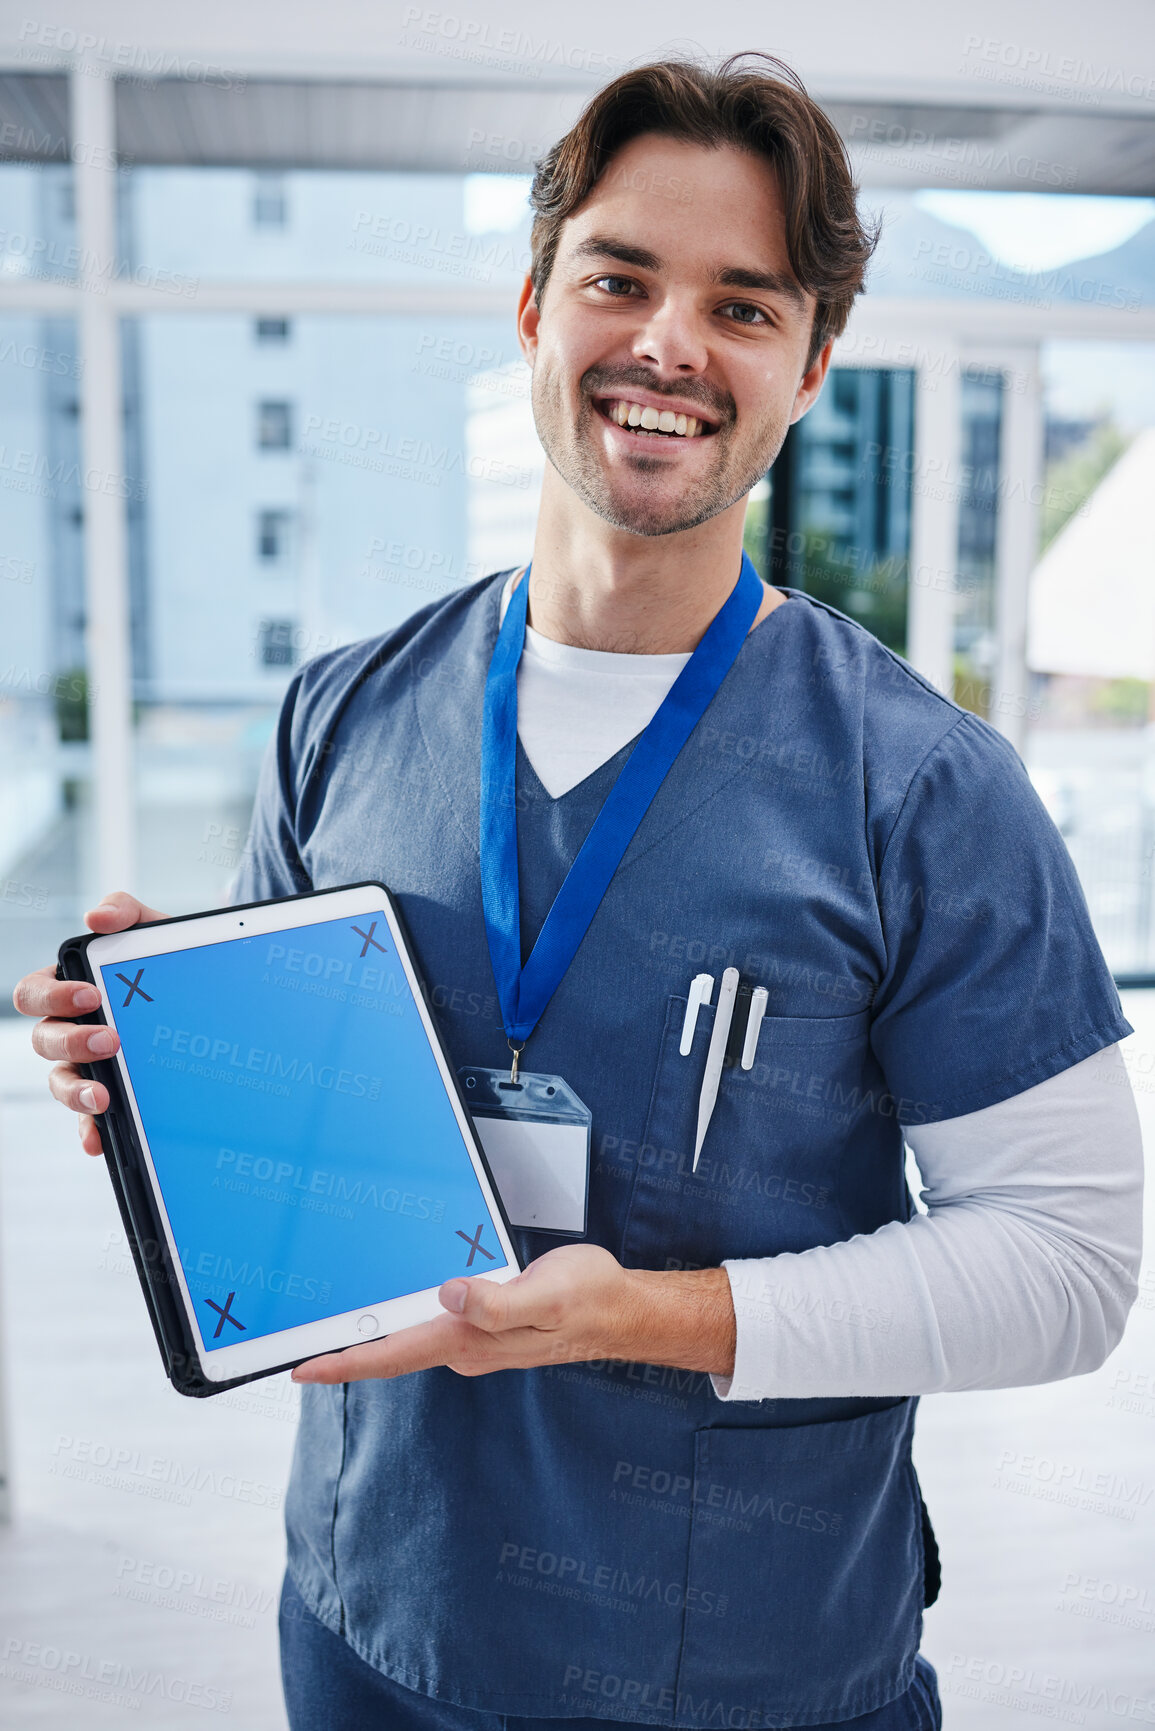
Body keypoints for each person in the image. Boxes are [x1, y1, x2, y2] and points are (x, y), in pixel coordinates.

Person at [13, 51, 1143, 1731]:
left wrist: (654, 1316)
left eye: (744, 306)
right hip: (367, 1618)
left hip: (744, 1665)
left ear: (812, 367)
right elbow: (293, 1159)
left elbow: (1068, 1266)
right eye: (621, 278)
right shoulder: (344, 712)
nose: (671, 344)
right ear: (534, 305)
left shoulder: (923, 790)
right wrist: (169, 1095)